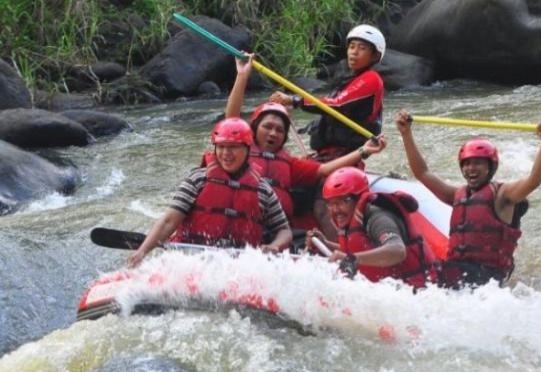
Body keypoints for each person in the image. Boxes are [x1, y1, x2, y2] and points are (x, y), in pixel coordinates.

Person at [394, 109, 541, 289]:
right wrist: (406, 133)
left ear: (490, 167)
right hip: (459, 272)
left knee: (432, 277)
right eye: (467, 164)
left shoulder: (503, 195)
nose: (471, 168)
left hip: (487, 277)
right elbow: (422, 173)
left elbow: (533, 182)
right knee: (418, 268)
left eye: (478, 163)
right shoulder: (457, 195)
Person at [224, 54, 386, 229]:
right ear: (255, 129)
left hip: (275, 234)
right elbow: (231, 119)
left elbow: (324, 169)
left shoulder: (289, 164)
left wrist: (364, 150)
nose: (273, 133)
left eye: (279, 130)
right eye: (267, 127)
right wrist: (242, 76)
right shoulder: (242, 150)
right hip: (237, 226)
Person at [269, 25, 386, 241]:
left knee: (323, 208)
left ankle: (341, 255)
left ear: (375, 55)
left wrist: (293, 100)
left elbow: (337, 105)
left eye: (361, 48)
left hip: (346, 158)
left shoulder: (371, 79)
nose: (354, 52)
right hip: (327, 157)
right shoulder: (349, 81)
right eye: (351, 47)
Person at [127, 118, 292, 267]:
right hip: (192, 259)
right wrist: (142, 252)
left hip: (239, 266)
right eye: (221, 147)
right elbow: (168, 222)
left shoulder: (263, 190)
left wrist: (274, 246)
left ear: (247, 149)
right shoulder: (198, 179)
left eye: (233, 147)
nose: (226, 153)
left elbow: (284, 231)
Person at [307, 167, 438, 289]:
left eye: (342, 201)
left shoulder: (378, 218)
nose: (336, 210)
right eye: (331, 203)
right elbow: (361, 249)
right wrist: (326, 244)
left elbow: (398, 250)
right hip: (389, 291)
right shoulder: (351, 218)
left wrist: (352, 259)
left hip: (419, 291)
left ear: (358, 198)